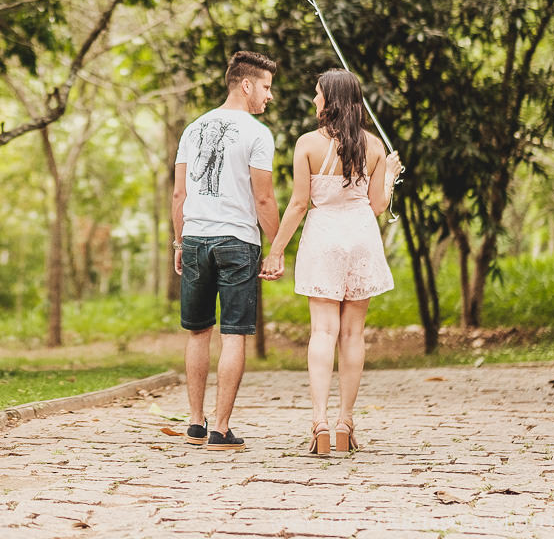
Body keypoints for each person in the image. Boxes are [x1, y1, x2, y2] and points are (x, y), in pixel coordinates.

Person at [260, 68, 401, 455]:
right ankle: (345, 422)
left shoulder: (307, 144)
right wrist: (388, 174)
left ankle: (319, 421)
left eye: (318, 94)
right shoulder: (373, 147)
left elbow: (300, 204)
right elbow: (376, 206)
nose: (314, 100)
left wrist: (276, 250)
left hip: (323, 238)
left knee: (323, 333)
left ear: (332, 101)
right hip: (360, 239)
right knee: (353, 335)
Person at [172, 50, 281, 451]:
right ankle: (220, 429)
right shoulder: (257, 133)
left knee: (198, 331)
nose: (269, 96)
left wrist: (180, 241)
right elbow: (264, 199)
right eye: (266, 87)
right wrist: (279, 248)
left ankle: (195, 422)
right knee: (233, 335)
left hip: (197, 239)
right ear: (247, 84)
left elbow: (180, 193)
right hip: (237, 242)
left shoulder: (192, 128)